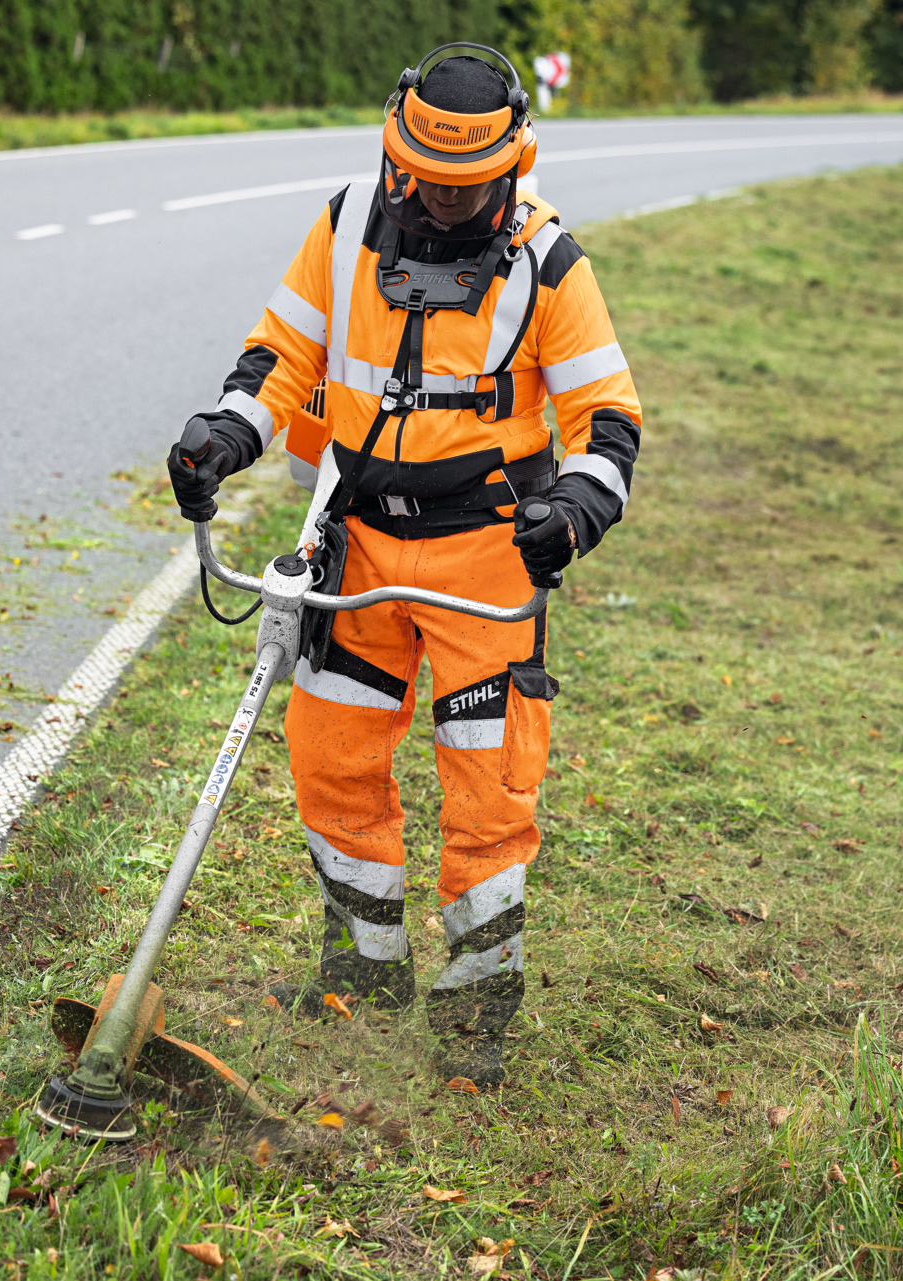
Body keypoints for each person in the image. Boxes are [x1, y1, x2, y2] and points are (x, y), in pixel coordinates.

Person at [166, 44, 640, 1087]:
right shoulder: (343, 227)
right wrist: (226, 432)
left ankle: (477, 1009)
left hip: (486, 555)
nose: (440, 200)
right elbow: (278, 359)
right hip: (359, 544)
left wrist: (575, 508)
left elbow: (608, 422)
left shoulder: (549, 263)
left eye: (465, 187)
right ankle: (362, 973)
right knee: (332, 755)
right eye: (423, 177)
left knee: (489, 784)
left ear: (511, 169)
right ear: (395, 152)